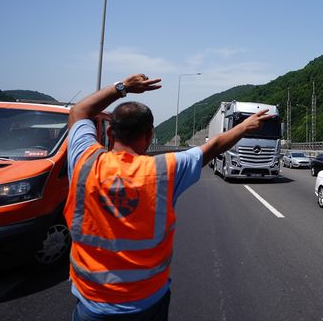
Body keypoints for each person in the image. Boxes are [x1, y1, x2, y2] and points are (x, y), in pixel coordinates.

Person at [64, 73, 272, 320]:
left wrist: (123, 87)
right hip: (147, 303)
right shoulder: (165, 170)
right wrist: (244, 126)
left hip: (91, 303)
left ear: (110, 134)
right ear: (150, 135)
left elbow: (79, 111)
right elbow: (213, 146)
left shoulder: (84, 161)